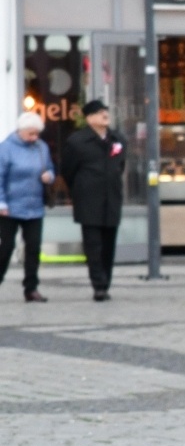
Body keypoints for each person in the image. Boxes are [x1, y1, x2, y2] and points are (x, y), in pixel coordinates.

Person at [61, 99, 127, 301]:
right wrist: (80, 189)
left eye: (106, 111)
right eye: (99, 112)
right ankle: (98, 285)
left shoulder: (118, 139)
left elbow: (120, 166)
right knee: (93, 245)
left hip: (111, 198)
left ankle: (105, 282)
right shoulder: (77, 141)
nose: (105, 115)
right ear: (89, 118)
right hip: (88, 199)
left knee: (109, 244)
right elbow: (68, 171)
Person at [0, 111, 57, 303]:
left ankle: (31, 288)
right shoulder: (6, 148)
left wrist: (49, 176)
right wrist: (1, 202)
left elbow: (50, 168)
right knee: (6, 247)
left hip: (34, 206)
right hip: (10, 207)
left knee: (33, 248)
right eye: (31, 134)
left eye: (37, 134)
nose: (34, 138)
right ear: (21, 131)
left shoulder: (41, 147)